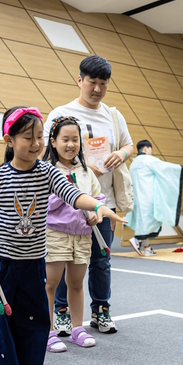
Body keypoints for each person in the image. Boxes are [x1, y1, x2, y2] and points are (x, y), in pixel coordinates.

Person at [0, 106, 126, 365]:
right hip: (2, 259)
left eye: (40, 136)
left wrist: (98, 206)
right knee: (0, 316)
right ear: (9, 141)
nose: (37, 143)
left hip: (33, 259)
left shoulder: (48, 173)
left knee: (34, 314)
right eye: (29, 137)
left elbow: (73, 195)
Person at [43, 55, 134, 336]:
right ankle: (61, 314)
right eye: (92, 82)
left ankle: (101, 311)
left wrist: (121, 153)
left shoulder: (113, 115)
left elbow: (129, 145)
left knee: (101, 259)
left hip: (101, 201)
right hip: (65, 207)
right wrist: (81, 164)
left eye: (103, 84)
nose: (97, 89)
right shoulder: (61, 113)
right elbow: (47, 155)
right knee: (62, 262)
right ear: (79, 80)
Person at [43, 116, 102, 353]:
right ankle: (47, 332)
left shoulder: (86, 171)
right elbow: (42, 203)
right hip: (55, 234)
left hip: (82, 235)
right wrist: (69, 195)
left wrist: (96, 213)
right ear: (53, 142)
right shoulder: (46, 170)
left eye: (75, 139)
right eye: (65, 139)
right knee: (50, 284)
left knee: (76, 284)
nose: (70, 144)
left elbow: (98, 198)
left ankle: (78, 329)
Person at [126, 140, 183, 257]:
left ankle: (147, 248)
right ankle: (137, 239)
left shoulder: (133, 164)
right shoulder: (149, 160)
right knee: (154, 221)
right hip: (148, 198)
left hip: (136, 199)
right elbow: (165, 168)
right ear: (146, 149)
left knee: (143, 224)